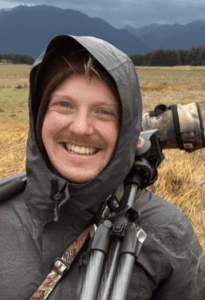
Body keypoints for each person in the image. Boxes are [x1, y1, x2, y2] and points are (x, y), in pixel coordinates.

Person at [0, 34, 204, 300]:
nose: (82, 127)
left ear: (126, 128)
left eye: (104, 111)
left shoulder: (168, 233)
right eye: (64, 105)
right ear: (39, 116)